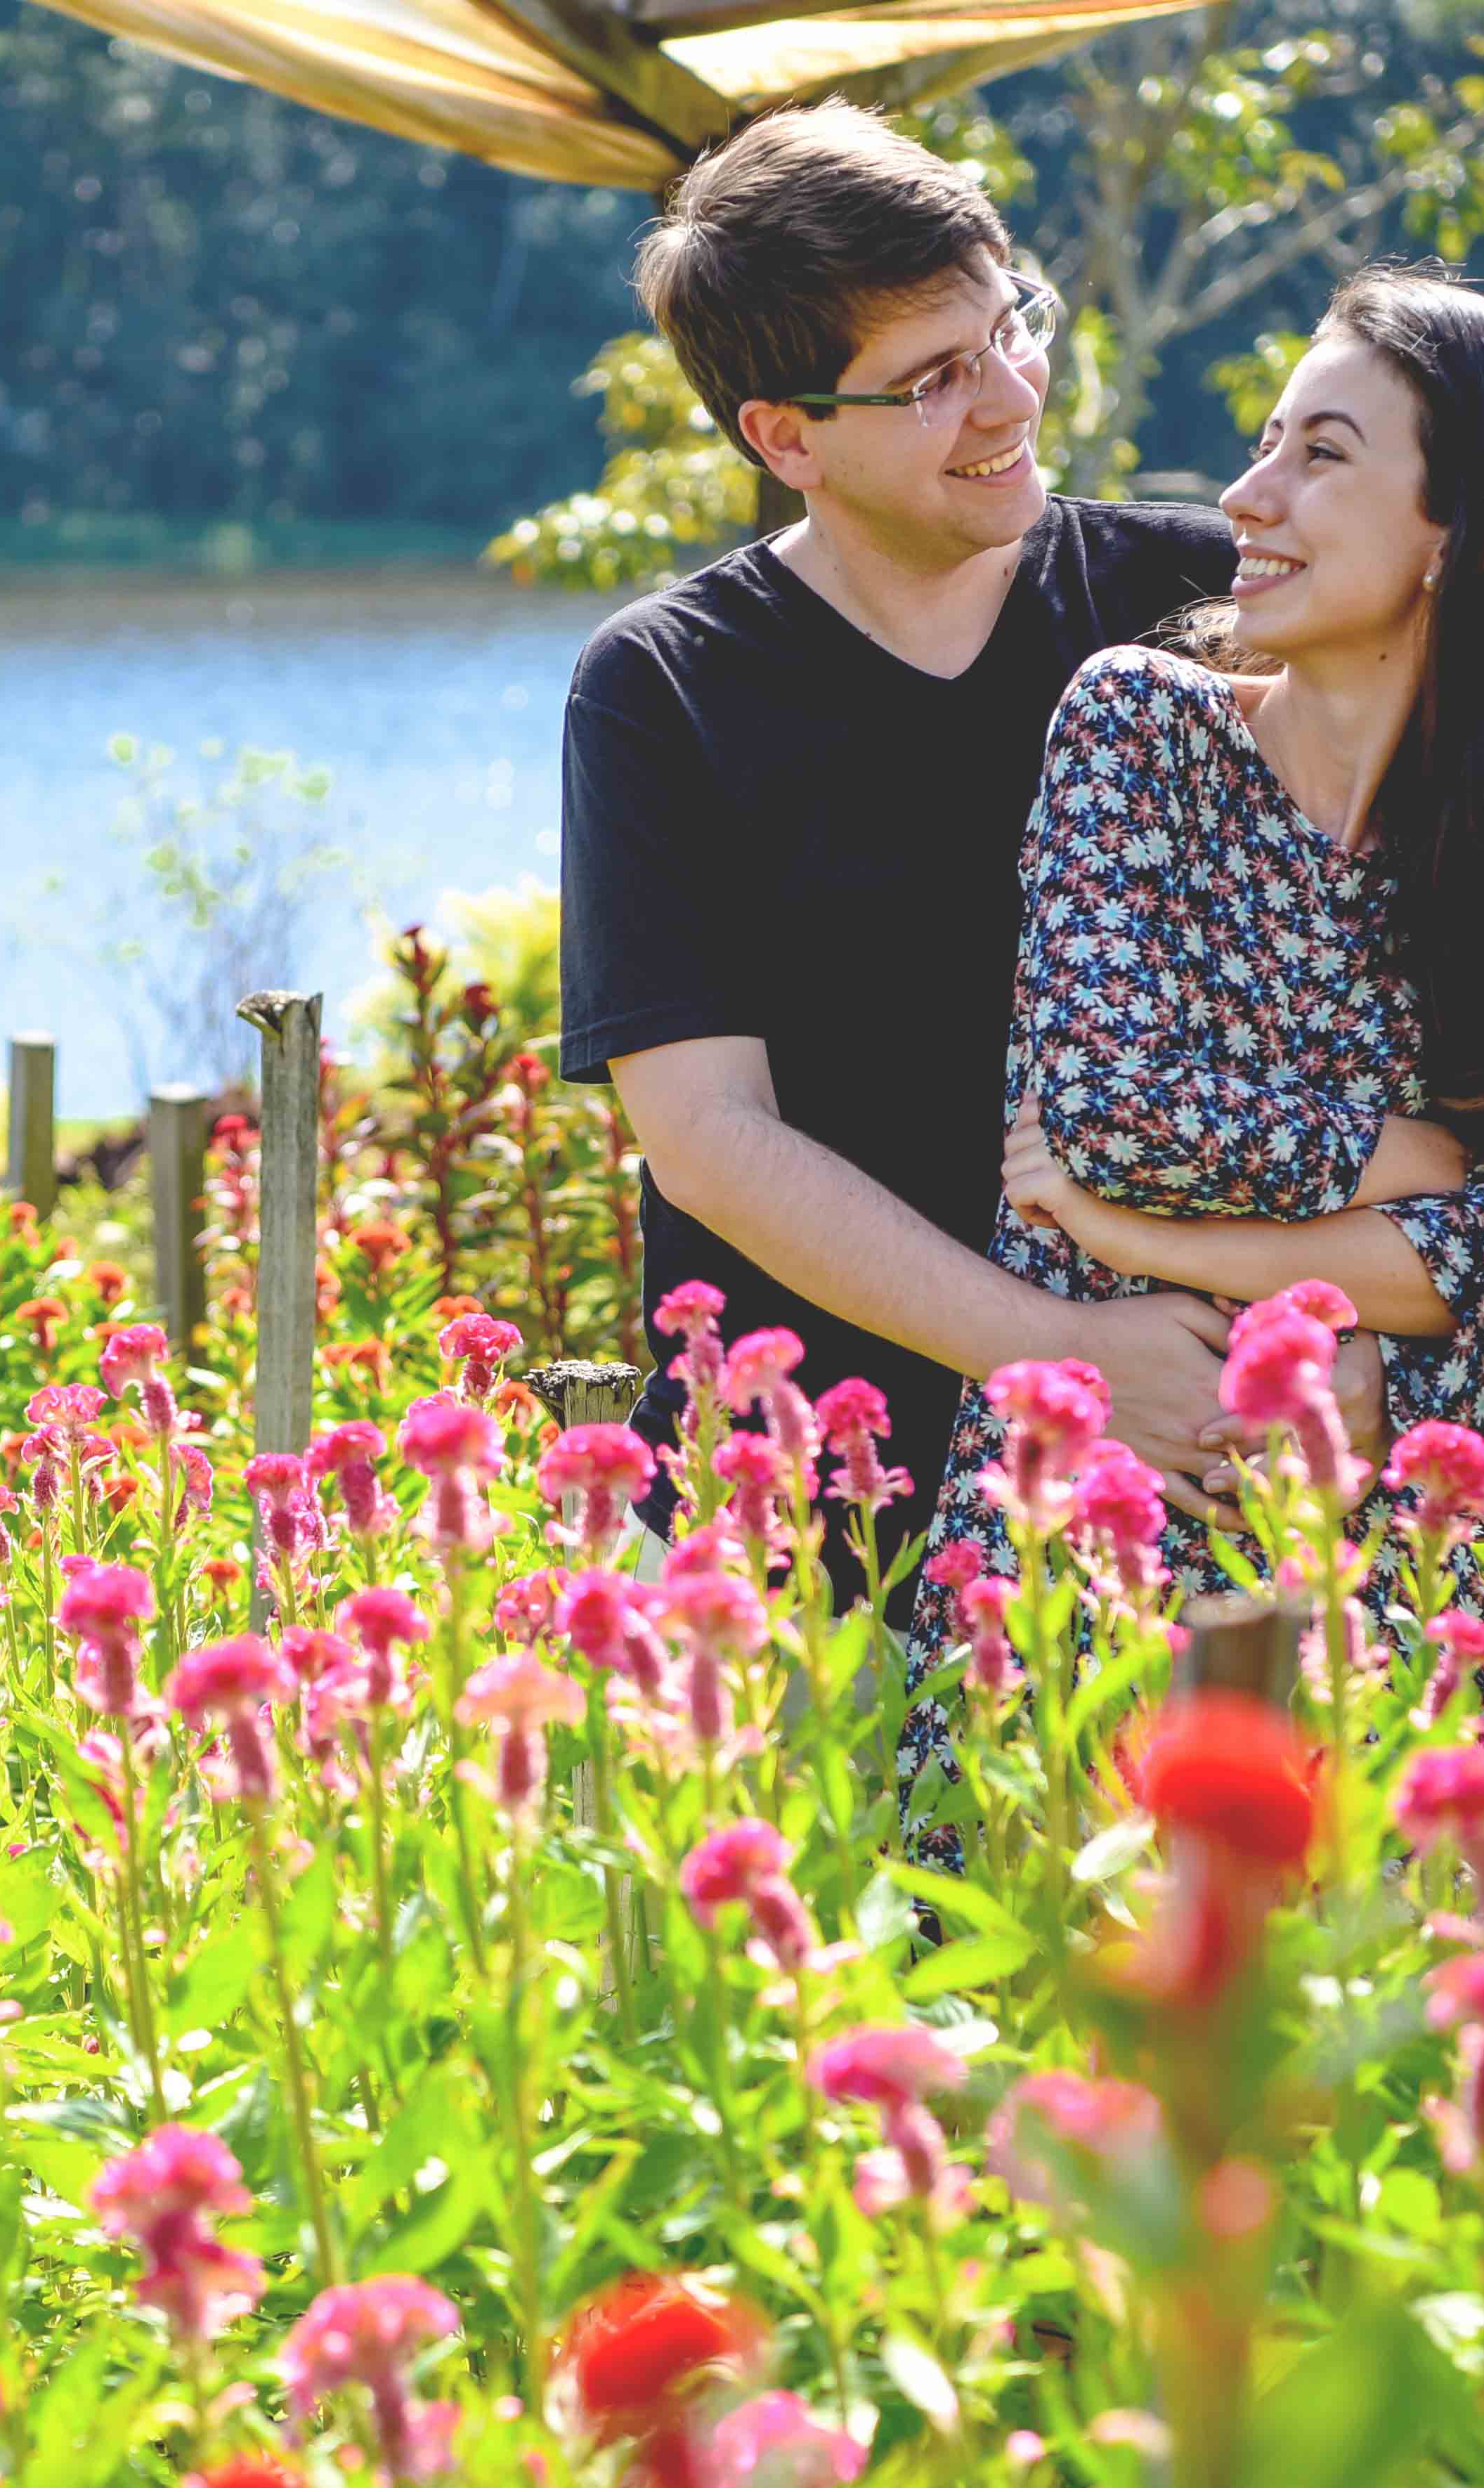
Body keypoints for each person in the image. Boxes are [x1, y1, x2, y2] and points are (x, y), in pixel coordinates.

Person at [557, 103, 1389, 1613]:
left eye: (1010, 327)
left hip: (1173, 1505)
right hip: (803, 1536)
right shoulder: (663, 686)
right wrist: (1059, 1361)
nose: (1008, 395)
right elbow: (707, 1140)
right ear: (783, 435)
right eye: (932, 378)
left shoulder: (1203, 597)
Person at [887, 266, 1484, 1813]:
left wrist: (1116, 1224)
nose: (1246, 495)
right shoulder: (1139, 729)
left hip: (1391, 1538)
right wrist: (1402, 1185)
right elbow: (1105, 1106)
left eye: (1320, 453)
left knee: (1442, 1993)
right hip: (1075, 1535)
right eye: (1263, 440)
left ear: (1471, 531)